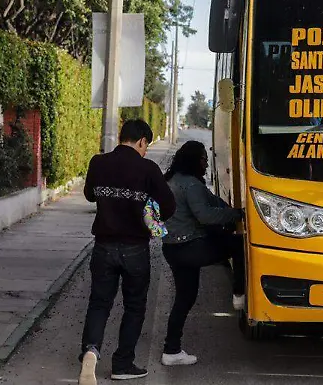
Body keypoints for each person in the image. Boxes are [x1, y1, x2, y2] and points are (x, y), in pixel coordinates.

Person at [78, 120, 176, 384]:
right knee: (134, 306)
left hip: (103, 246)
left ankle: (91, 351)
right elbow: (169, 205)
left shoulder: (98, 162)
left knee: (99, 302)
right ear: (142, 141)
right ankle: (122, 364)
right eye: (146, 146)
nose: (145, 150)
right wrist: (149, 215)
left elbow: (89, 195)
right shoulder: (148, 168)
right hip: (135, 248)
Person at [159, 140, 245, 366]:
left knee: (184, 298)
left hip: (172, 248)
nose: (207, 164)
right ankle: (239, 294)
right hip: (190, 248)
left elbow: (212, 201)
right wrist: (237, 214)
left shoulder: (171, 180)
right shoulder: (191, 185)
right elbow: (205, 215)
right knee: (238, 245)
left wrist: (227, 211)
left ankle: (171, 350)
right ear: (194, 160)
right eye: (204, 159)